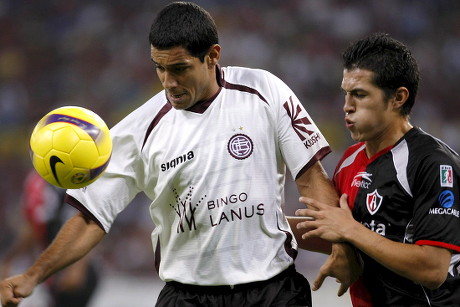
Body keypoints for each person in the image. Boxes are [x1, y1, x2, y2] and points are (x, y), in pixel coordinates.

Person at [0, 2, 360, 306]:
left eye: (179, 68)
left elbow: (311, 178)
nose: (168, 81)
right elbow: (90, 217)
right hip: (187, 297)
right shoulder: (138, 130)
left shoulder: (264, 91)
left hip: (273, 290)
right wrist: (34, 275)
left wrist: (341, 247)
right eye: (159, 67)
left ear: (212, 56)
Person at [295, 33, 460, 306]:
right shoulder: (350, 160)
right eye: (345, 94)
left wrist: (351, 231)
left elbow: (432, 269)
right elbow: (334, 230)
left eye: (360, 94)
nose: (347, 107)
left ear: (398, 97)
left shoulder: (433, 163)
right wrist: (261, 220)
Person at [0, 170, 99, 307]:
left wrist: (78, 266)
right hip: (51, 267)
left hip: (71, 265)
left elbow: (86, 220)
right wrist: (10, 259)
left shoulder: (68, 177)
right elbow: (32, 228)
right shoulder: (35, 181)